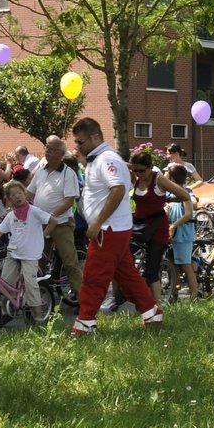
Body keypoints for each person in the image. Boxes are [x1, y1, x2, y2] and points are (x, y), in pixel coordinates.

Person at [69, 116, 162, 336]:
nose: (77, 146)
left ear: (94, 137)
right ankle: (151, 312)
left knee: (93, 276)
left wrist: (98, 222)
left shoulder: (106, 159)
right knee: (127, 275)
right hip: (113, 229)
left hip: (108, 230)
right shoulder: (99, 159)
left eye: (80, 142)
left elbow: (118, 190)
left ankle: (85, 322)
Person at [0, 180, 54, 318]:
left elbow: (53, 221)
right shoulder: (10, 216)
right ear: (9, 200)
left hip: (30, 254)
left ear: (25, 194)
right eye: (13, 195)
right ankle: (6, 312)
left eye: (20, 193)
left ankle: (38, 316)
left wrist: (43, 235)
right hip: (13, 253)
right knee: (5, 283)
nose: (17, 197)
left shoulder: (34, 211)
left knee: (30, 285)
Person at [128, 149, 192, 305]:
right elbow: (126, 165)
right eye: (135, 171)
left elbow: (185, 196)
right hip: (140, 224)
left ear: (150, 166)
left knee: (151, 269)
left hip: (157, 226)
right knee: (124, 258)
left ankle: (156, 307)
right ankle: (123, 297)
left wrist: (167, 200)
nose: (139, 174)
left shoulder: (159, 180)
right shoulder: (135, 177)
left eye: (142, 171)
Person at [27, 135, 84, 301]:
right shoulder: (41, 172)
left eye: (51, 149)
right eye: (46, 148)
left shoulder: (68, 174)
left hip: (61, 224)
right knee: (38, 261)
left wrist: (52, 216)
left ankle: (83, 301)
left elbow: (69, 201)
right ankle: (38, 299)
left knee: (70, 262)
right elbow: (29, 193)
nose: (47, 151)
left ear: (60, 154)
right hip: (41, 224)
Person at [164, 164, 199, 299]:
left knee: (186, 264)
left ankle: (194, 295)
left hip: (183, 233)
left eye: (167, 174)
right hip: (173, 233)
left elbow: (188, 214)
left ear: (172, 177)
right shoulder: (169, 193)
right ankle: (174, 292)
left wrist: (174, 225)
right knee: (173, 264)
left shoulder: (185, 192)